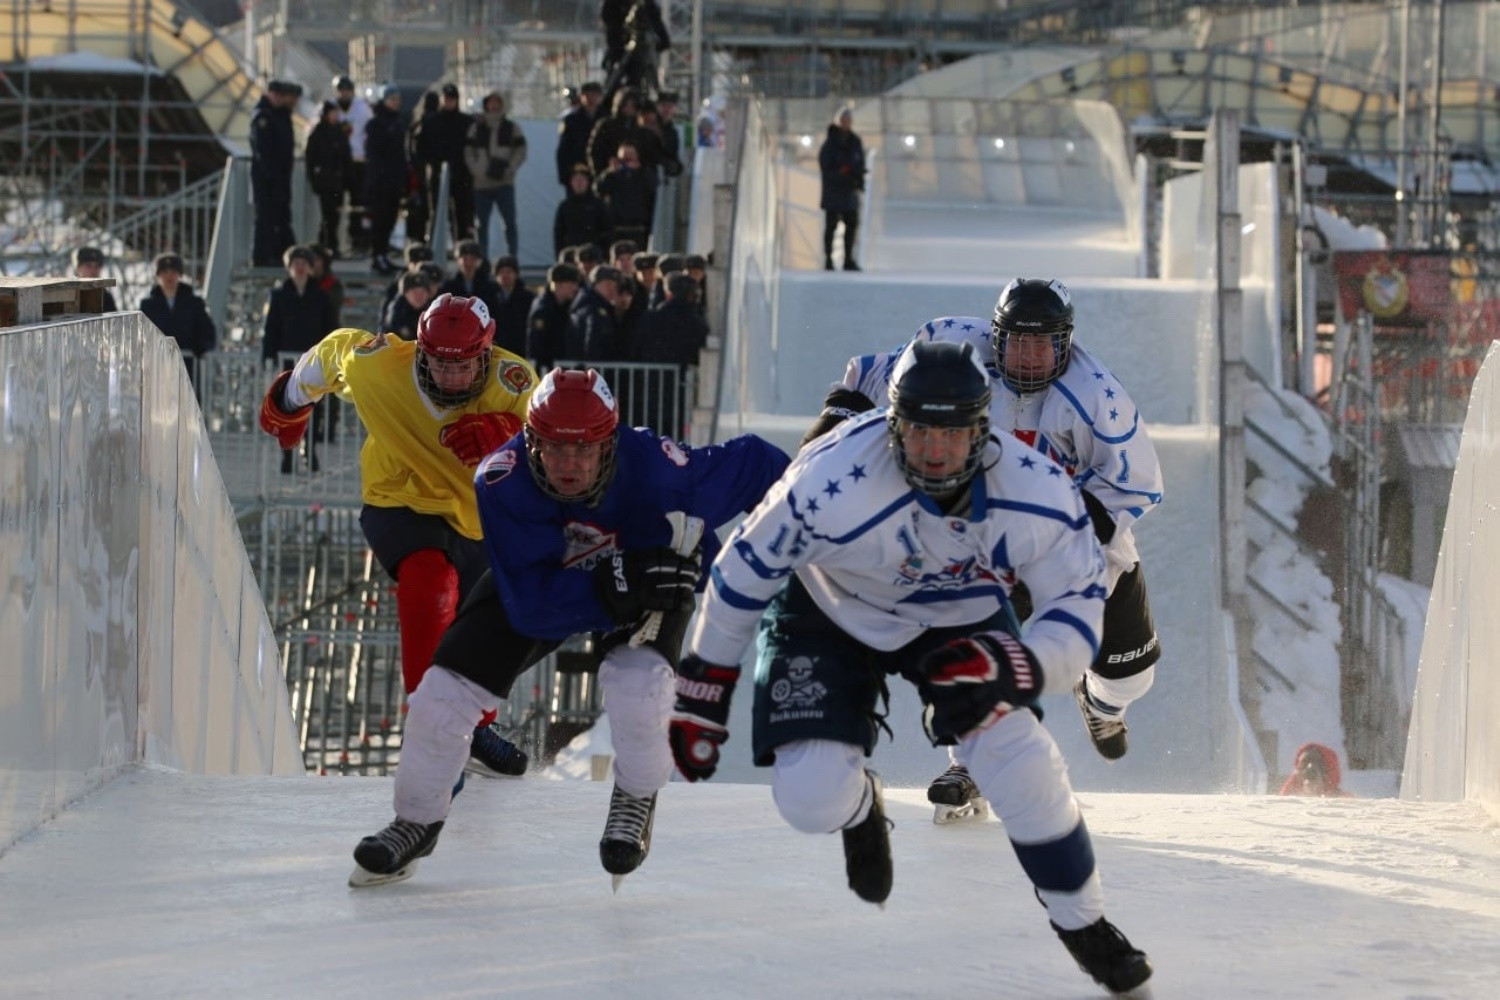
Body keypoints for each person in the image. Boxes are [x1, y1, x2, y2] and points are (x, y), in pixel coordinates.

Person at [668, 340, 1153, 997]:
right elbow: (742, 573)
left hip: (960, 618)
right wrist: (703, 690)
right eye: (919, 428)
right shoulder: (828, 476)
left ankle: (1085, 924)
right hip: (829, 610)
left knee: (1024, 763)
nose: (933, 450)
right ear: (893, 423)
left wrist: (1018, 666)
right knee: (809, 800)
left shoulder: (1038, 490)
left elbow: (1076, 613)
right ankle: (860, 802)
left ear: (983, 430)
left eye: (952, 432)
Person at [347, 367, 789, 888]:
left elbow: (761, 465)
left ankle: (635, 795)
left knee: (640, 692)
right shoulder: (501, 481)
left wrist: (799, 540)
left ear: (611, 443)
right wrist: (608, 584)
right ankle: (415, 820)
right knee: (440, 696)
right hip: (545, 586)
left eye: (585, 449)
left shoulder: (659, 470)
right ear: (529, 440)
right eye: (555, 448)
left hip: (647, 581)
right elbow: (532, 607)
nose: (569, 465)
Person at [808, 287, 1164, 822]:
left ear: (1066, 345)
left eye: (1043, 346)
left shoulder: (1097, 399)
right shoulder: (949, 346)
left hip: (1077, 532)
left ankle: (1103, 702)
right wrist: (836, 425)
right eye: (1017, 343)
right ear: (995, 336)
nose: (1028, 358)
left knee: (1129, 667)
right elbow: (871, 374)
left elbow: (1137, 485)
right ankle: (970, 760)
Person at [258, 293, 536, 780]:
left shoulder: (515, 383)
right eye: (438, 364)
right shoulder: (381, 369)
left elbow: (550, 448)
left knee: (483, 622)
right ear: (420, 351)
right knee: (429, 581)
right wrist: (288, 402)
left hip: (479, 516)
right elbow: (331, 354)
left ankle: (474, 727)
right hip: (398, 497)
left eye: (464, 366)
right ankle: (430, 723)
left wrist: (509, 435)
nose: (450, 377)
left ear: (486, 356)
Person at [261, 245, 338, 473]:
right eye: (296, 263)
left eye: (304, 263)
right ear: (289, 267)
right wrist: (269, 357)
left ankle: (310, 450)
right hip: (287, 361)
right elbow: (271, 329)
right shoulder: (278, 295)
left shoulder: (322, 297)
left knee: (313, 408)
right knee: (286, 409)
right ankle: (287, 455)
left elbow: (330, 329)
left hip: (313, 362)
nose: (300, 267)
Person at [464, 92, 527, 259]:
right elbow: (468, 152)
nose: (494, 106)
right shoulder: (476, 128)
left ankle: (511, 257)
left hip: (504, 183)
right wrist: (478, 169)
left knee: (509, 223)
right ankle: (482, 259)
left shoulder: (511, 127)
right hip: (481, 184)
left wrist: (510, 167)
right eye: (490, 103)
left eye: (497, 103)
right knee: (481, 225)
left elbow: (521, 150)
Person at [139, 252, 216, 384]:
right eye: (165, 272)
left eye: (173, 272)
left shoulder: (194, 303)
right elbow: (140, 335)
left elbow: (207, 333)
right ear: (158, 275)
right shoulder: (148, 306)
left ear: (179, 274)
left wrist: (196, 351)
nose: (169, 276)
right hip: (157, 372)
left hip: (187, 371)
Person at [251, 79, 300, 267]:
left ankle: (281, 253)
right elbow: (263, 151)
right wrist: (271, 174)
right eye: (277, 95)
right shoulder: (263, 116)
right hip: (267, 178)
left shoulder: (279, 115)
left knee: (279, 215)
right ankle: (263, 256)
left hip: (280, 176)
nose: (280, 99)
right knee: (265, 216)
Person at [363, 84, 407, 275]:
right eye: (392, 100)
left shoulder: (398, 122)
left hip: (394, 180)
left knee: (390, 218)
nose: (396, 104)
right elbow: (374, 153)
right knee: (379, 219)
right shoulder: (375, 124)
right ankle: (376, 254)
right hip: (380, 180)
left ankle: (383, 254)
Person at [818, 107, 866, 272]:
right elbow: (826, 166)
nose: (846, 123)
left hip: (849, 191)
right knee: (831, 226)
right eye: (844, 120)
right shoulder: (831, 143)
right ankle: (828, 260)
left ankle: (848, 259)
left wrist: (856, 179)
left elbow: (859, 163)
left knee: (851, 225)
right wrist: (840, 174)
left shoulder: (854, 142)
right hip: (834, 191)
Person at [332, 75, 372, 253]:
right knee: (335, 203)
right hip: (339, 162)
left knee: (359, 202)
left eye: (347, 90)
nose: (344, 94)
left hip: (358, 160)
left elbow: (368, 134)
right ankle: (333, 241)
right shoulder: (329, 108)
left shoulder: (362, 109)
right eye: (341, 90)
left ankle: (357, 239)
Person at [306, 100, 352, 253]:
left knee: (335, 214)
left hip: (337, 181)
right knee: (328, 213)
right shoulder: (318, 133)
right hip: (325, 181)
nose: (335, 116)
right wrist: (313, 179)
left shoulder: (340, 132)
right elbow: (310, 158)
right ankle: (329, 243)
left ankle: (327, 243)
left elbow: (346, 156)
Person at [527, 262, 582, 370]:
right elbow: (537, 346)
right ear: (558, 285)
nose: (575, 288)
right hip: (548, 370)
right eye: (571, 284)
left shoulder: (566, 306)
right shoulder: (543, 309)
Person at [1279, 742, 1354, 797]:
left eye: (1313, 785)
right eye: (1305, 762)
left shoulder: (1339, 798)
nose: (1310, 767)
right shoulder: (1291, 789)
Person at [70, 246, 117, 312]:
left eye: (97, 266)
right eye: (88, 266)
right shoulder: (69, 294)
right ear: (78, 268)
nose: (93, 270)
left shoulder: (104, 296)